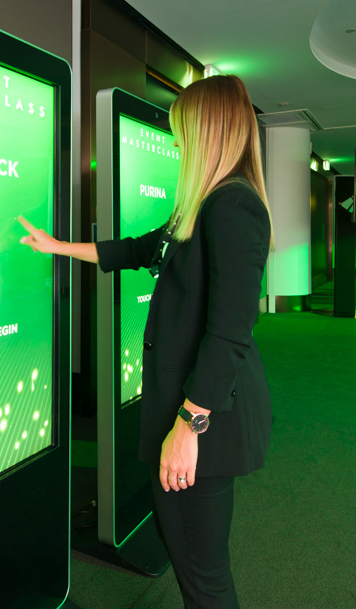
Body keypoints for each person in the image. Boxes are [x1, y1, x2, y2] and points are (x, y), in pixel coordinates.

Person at [19, 75, 272, 609]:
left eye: (182, 131)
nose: (177, 143)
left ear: (208, 130)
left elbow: (230, 332)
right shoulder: (202, 204)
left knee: (203, 576)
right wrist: (58, 246)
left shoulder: (233, 207)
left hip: (204, 420)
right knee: (195, 565)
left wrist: (190, 424)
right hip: (192, 410)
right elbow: (137, 250)